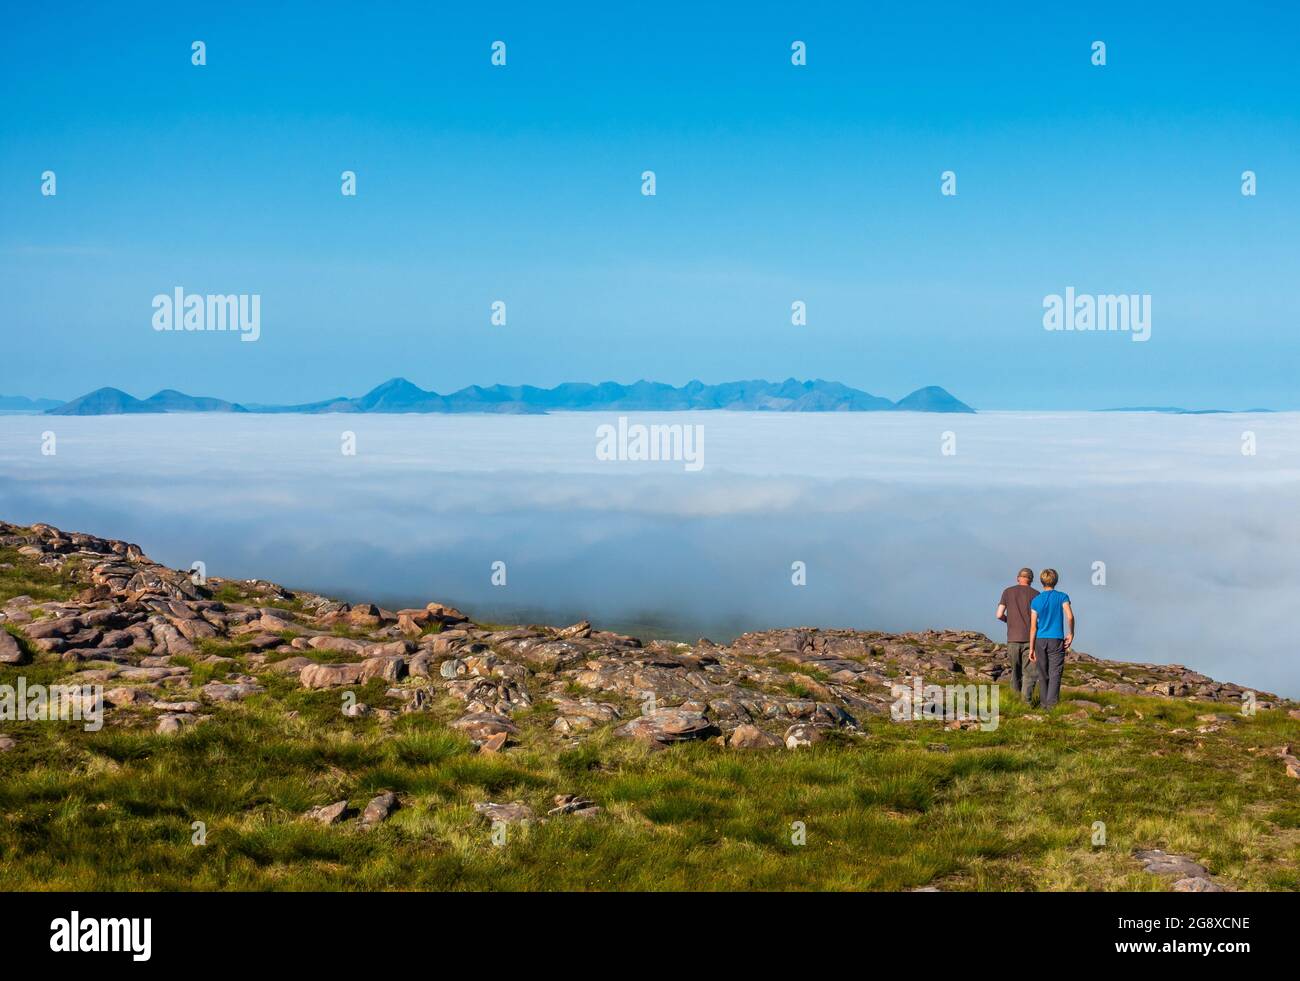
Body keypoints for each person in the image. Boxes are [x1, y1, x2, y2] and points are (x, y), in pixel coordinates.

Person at [1027, 568, 1075, 708]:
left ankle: (1043, 704)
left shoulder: (1036, 600)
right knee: (1055, 673)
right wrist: (1071, 633)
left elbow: (1033, 626)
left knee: (1042, 673)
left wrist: (1031, 648)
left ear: (1041, 581)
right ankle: (1051, 705)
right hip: (1056, 639)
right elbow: (1070, 616)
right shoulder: (1062, 597)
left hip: (1040, 640)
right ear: (1056, 580)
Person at [995, 567, 1038, 700]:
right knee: (1029, 674)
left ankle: (1014, 701)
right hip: (1030, 639)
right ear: (1031, 580)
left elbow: (998, 615)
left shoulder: (1007, 592)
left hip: (1012, 638)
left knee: (1015, 673)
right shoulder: (1036, 594)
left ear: (1018, 578)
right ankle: (1026, 703)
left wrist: (1009, 621)